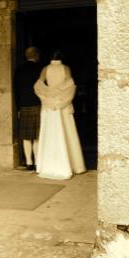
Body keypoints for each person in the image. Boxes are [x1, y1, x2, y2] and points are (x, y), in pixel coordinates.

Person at [34, 50, 86, 179]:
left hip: (49, 105)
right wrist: (60, 97)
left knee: (50, 132)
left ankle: (47, 165)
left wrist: (47, 96)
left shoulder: (45, 69)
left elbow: (38, 85)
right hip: (62, 104)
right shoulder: (66, 68)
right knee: (67, 131)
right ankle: (73, 165)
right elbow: (70, 84)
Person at [14, 47, 42, 170]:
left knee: (26, 136)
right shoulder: (39, 69)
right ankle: (37, 162)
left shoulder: (19, 69)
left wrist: (18, 108)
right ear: (36, 56)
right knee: (36, 136)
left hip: (24, 105)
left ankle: (29, 163)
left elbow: (16, 90)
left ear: (26, 56)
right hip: (37, 105)